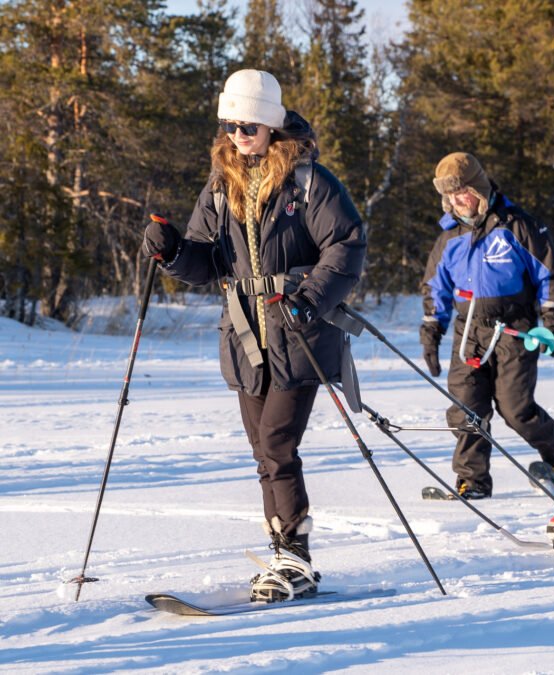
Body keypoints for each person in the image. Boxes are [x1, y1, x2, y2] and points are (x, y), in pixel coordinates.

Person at [141, 69, 367, 601]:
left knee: (277, 443)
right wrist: (173, 250)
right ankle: (285, 554)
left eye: (246, 125)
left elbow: (347, 244)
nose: (237, 135)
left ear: (269, 124)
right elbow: (206, 261)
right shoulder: (222, 183)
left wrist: (311, 298)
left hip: (299, 332)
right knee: (263, 452)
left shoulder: (309, 181)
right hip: (245, 338)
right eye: (228, 125)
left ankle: (296, 559)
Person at [420, 152, 554, 499]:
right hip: (469, 331)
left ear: (479, 188)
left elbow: (550, 273)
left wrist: (552, 322)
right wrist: (432, 331)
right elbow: (434, 287)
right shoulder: (448, 238)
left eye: (464, 192)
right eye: (451, 195)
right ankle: (472, 482)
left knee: (515, 408)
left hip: (514, 328)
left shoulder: (517, 225)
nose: (459, 201)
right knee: (466, 408)